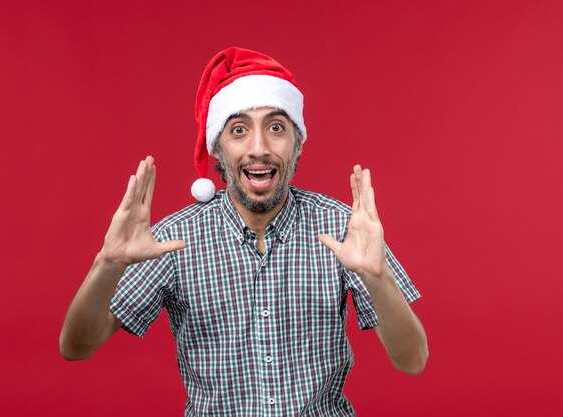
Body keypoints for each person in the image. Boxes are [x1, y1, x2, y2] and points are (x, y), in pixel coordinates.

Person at [60, 47, 428, 416]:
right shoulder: (173, 239)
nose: (259, 148)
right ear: (217, 149)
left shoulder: (342, 227)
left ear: (297, 144)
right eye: (239, 130)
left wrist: (377, 278)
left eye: (276, 128)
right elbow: (76, 347)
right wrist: (107, 263)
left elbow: (412, 360)